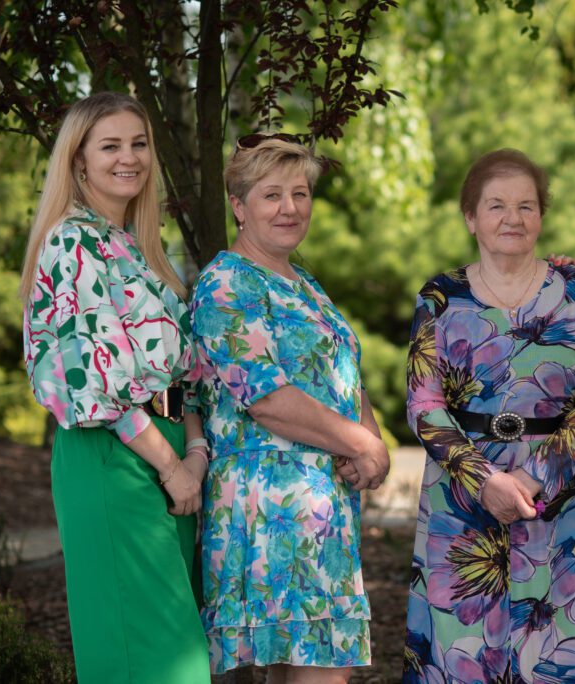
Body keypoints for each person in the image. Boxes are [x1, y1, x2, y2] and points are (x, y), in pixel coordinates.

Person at [402, 148, 575, 682]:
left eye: (526, 206)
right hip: (461, 498)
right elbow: (424, 405)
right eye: (496, 205)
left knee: (552, 653)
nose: (512, 218)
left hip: (559, 499)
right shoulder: (440, 298)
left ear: (541, 216)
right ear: (470, 217)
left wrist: (532, 477)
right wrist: (485, 481)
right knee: (463, 652)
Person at [21, 92, 210, 683]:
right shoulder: (72, 242)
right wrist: (171, 467)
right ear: (78, 160)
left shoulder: (139, 247)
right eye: (110, 146)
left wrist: (195, 452)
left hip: (169, 452)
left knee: (173, 654)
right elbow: (95, 383)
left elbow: (185, 372)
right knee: (160, 662)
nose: (129, 157)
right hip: (114, 455)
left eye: (139, 143)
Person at [190, 134, 389, 683]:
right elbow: (267, 399)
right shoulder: (228, 282)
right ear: (239, 206)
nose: (290, 208)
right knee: (324, 673)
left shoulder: (303, 283)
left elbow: (343, 376)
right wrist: (362, 444)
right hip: (270, 503)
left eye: (300, 194)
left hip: (319, 503)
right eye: (272, 195)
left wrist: (369, 439)